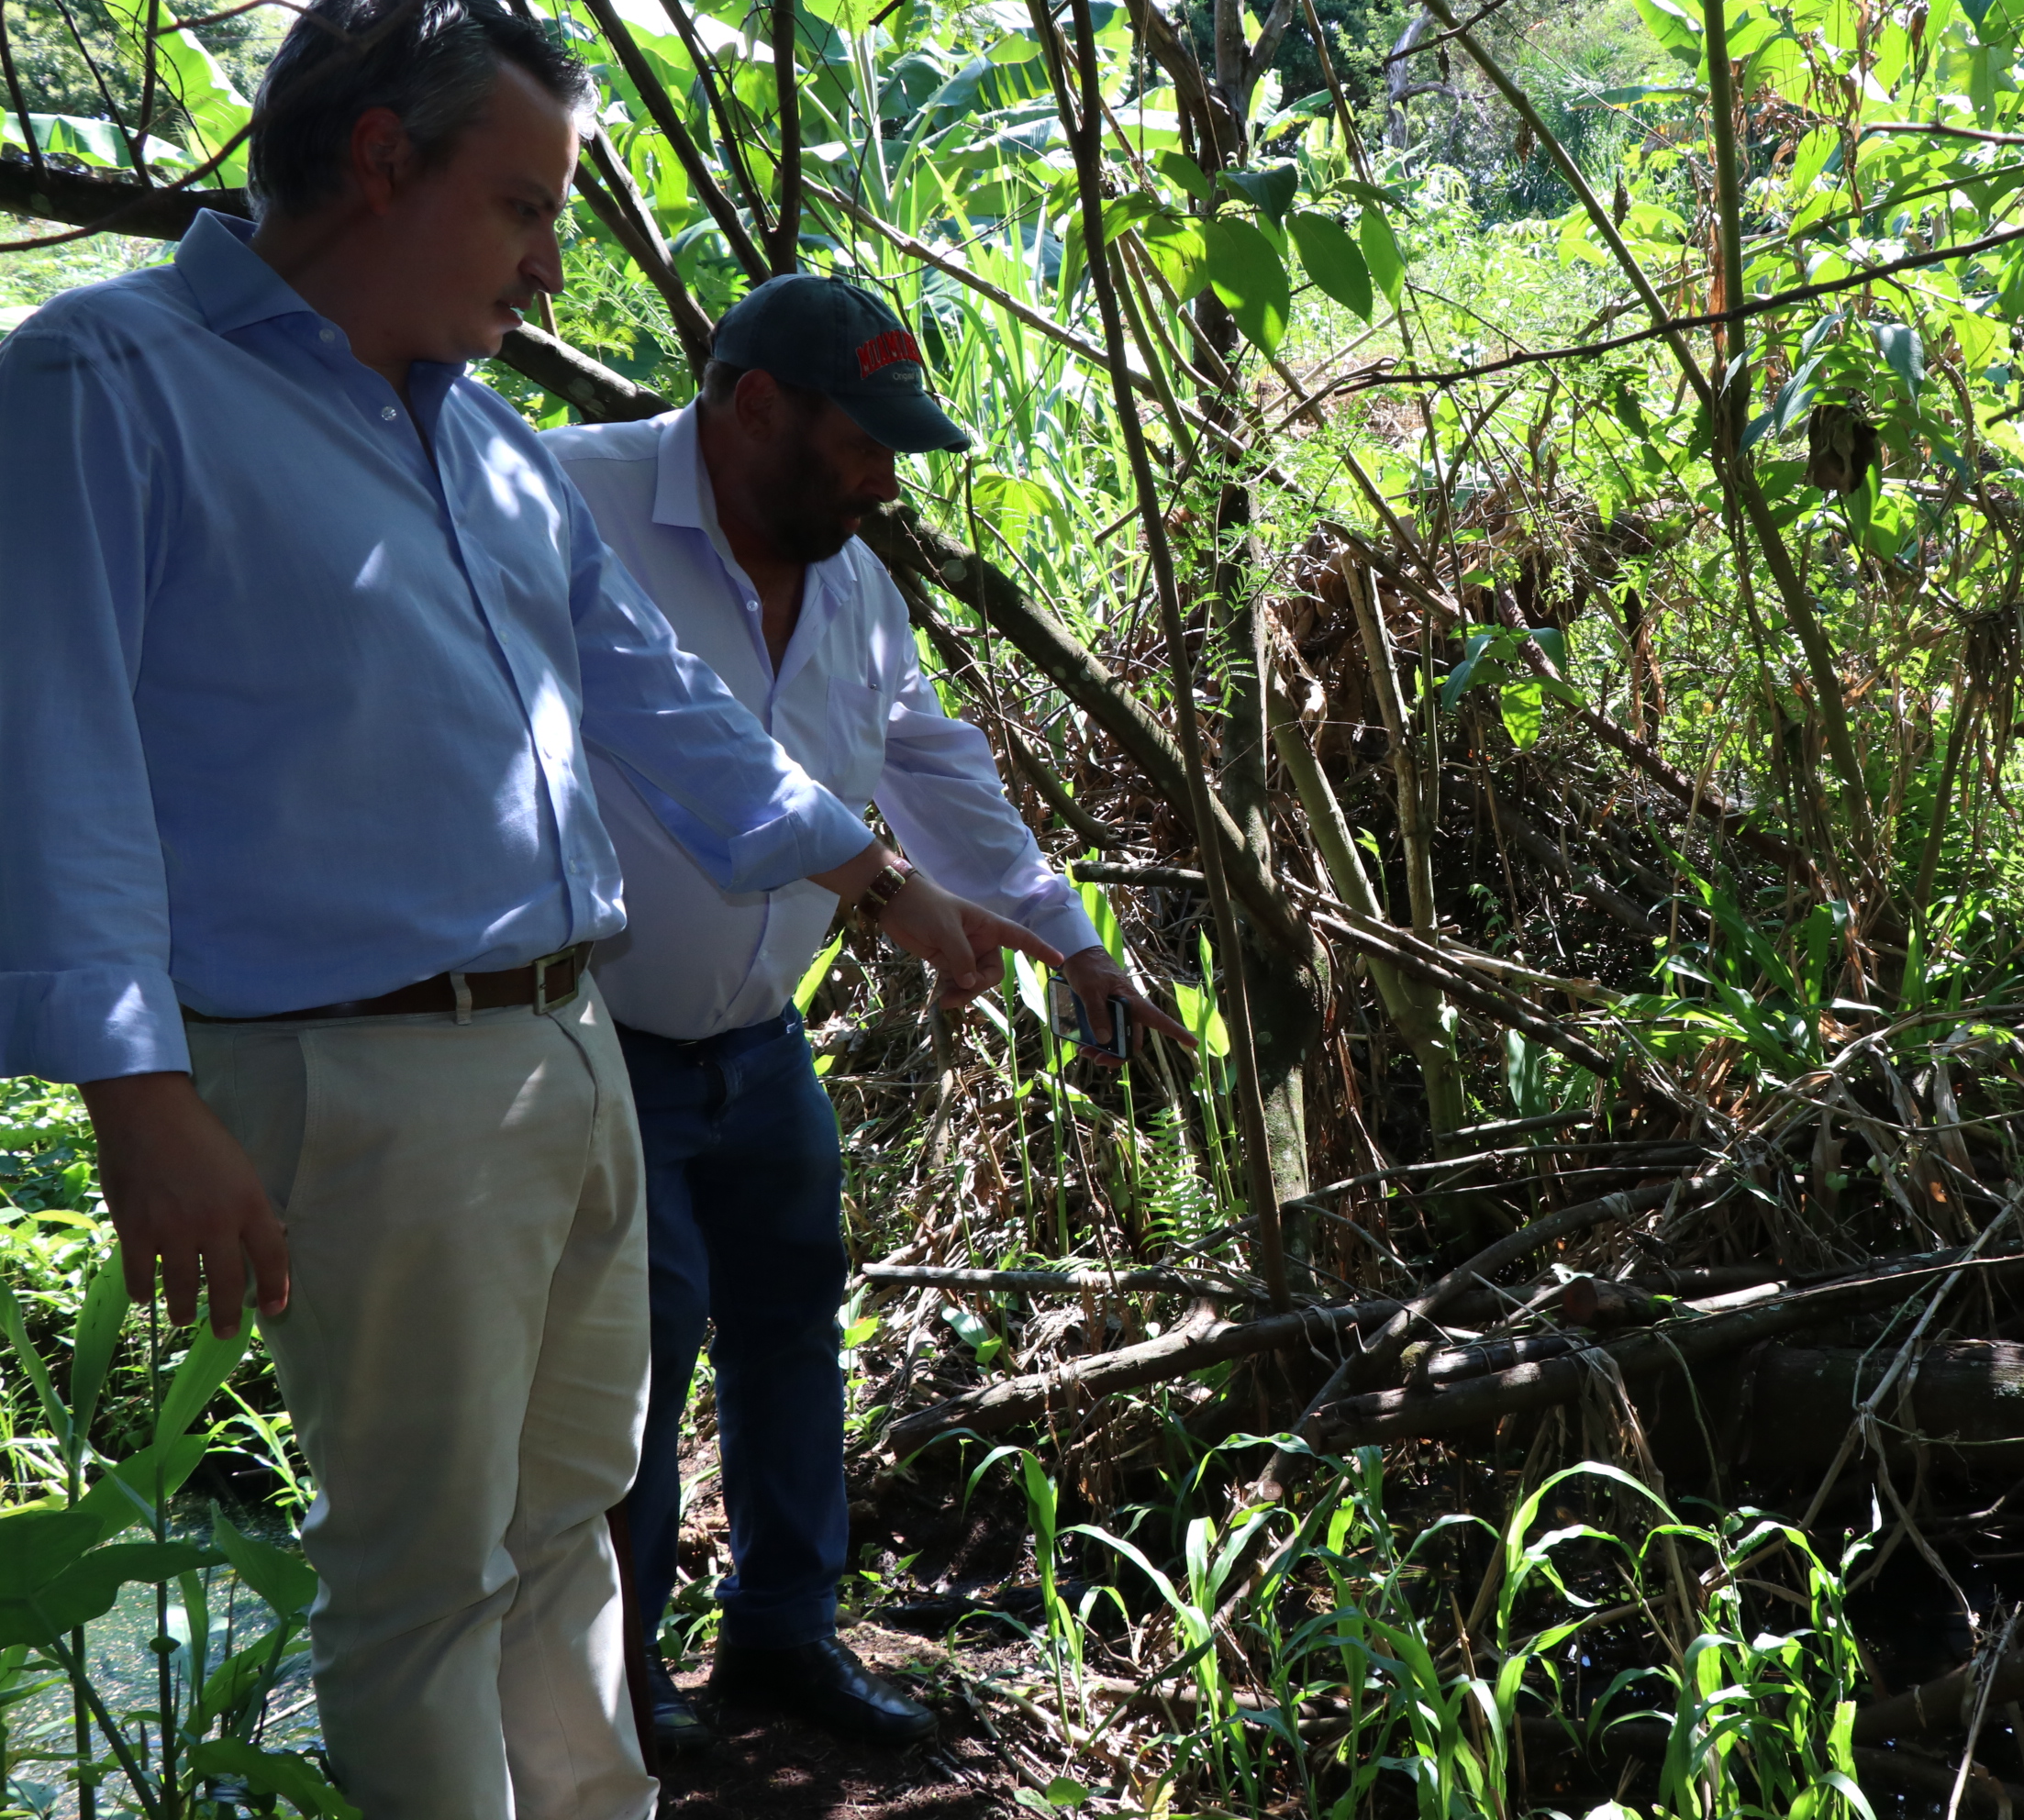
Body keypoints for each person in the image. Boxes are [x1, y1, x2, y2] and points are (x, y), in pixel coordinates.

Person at [0, 3, 1058, 1814]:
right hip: (361, 1074)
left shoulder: (485, 441)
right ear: (380, 161)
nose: (550, 262)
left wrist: (881, 881)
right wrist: (137, 1093)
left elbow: (663, 702)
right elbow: (50, 748)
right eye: (522, 206)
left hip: (571, 1049)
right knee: (423, 1571)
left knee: (571, 1525)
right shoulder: (109, 381)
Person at [541, 274, 1190, 1754]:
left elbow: (932, 765)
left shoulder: (854, 589)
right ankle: (617, 1675)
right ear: (756, 405)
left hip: (761, 1044)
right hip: (594, 1037)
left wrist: (1069, 942)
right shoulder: (571, 501)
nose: (886, 482)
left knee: (790, 1327)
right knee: (632, 1356)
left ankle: (785, 1632)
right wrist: (889, 888)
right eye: (864, 443)